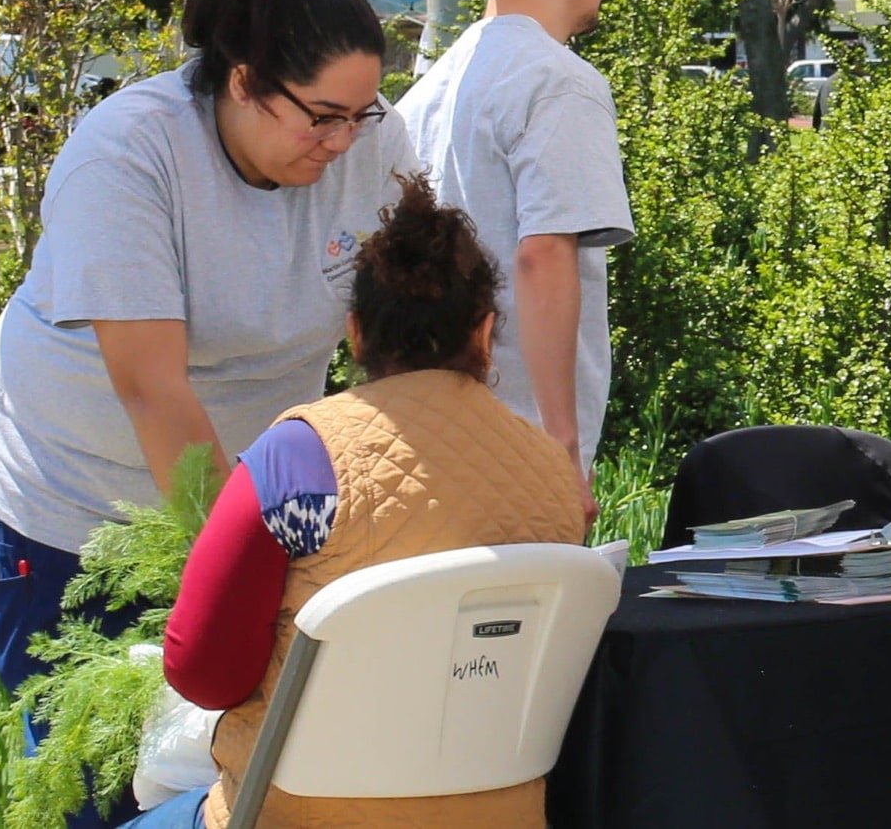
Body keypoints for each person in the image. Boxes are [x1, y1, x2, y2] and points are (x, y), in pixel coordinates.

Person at [0, 0, 413, 817]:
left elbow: (399, 336)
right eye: (322, 115)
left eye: (361, 113)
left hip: (250, 506)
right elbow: (152, 387)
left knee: (246, 782)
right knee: (95, 780)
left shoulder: (370, 142)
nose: (344, 141)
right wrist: (237, 584)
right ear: (243, 81)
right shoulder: (130, 153)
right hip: (78, 505)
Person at [127, 177, 582, 829]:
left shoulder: (297, 460)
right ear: (484, 334)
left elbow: (203, 672)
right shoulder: (552, 476)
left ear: (356, 333)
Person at [399, 0, 635, 472]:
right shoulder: (559, 84)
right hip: (518, 443)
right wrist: (560, 444)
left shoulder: (425, 91)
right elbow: (544, 253)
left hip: (425, 430)